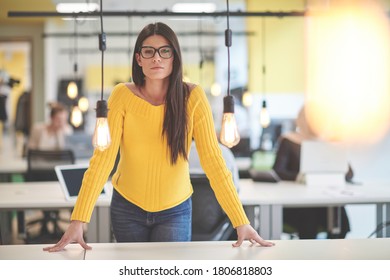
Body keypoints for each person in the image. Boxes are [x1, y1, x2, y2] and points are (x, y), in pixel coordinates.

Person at [44, 22, 274, 252]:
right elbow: (102, 161)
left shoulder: (193, 97)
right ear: (138, 59)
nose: (157, 58)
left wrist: (241, 221)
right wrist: (78, 219)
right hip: (127, 208)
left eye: (165, 51)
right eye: (148, 51)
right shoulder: (121, 96)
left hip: (175, 210)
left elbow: (214, 163)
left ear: (174, 57)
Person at [272, 105, 351, 239]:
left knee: (340, 218)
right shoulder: (289, 140)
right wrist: (300, 177)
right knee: (309, 222)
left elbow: (349, 174)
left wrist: (337, 154)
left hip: (326, 200)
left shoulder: (329, 141)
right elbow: (278, 171)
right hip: (298, 202)